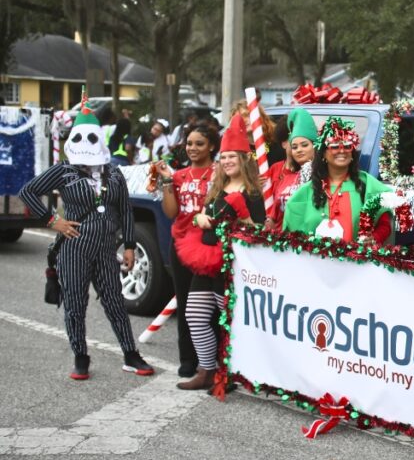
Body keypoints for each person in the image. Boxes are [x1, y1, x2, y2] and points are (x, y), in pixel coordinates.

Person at [19, 104, 155, 379]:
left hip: (106, 250)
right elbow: (28, 192)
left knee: (115, 302)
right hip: (73, 248)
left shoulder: (114, 173)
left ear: (99, 138)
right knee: (75, 304)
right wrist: (51, 220)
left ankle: (131, 354)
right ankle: (80, 356)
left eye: (91, 138)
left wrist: (129, 245)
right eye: (80, 138)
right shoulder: (64, 171)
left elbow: (125, 210)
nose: (85, 144)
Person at [175, 115, 266, 390]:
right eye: (224, 157)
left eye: (232, 157)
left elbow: (259, 229)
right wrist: (199, 219)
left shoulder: (252, 192)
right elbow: (203, 214)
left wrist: (242, 216)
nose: (227, 162)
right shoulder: (217, 187)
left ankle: (227, 373)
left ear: (243, 160)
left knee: (226, 318)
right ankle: (207, 369)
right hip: (205, 257)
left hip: (230, 260)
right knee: (194, 314)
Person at [154, 122, 219, 377]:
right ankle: (188, 359)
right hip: (180, 245)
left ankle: (213, 360)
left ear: (212, 146)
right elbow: (171, 213)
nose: (192, 148)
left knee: (208, 306)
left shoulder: (219, 173)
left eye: (199, 144)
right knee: (184, 303)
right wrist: (168, 182)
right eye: (189, 143)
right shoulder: (179, 175)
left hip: (208, 247)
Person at [282, 116, 393, 242]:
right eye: (334, 146)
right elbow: (291, 234)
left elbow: (385, 223)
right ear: (323, 153)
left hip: (355, 260)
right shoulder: (307, 191)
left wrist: (374, 238)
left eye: (347, 146)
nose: (342, 151)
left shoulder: (367, 185)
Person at [264, 108, 317, 230]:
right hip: (282, 241)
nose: (299, 149)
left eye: (304, 145)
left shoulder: (324, 175)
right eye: (294, 146)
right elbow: (273, 213)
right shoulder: (286, 176)